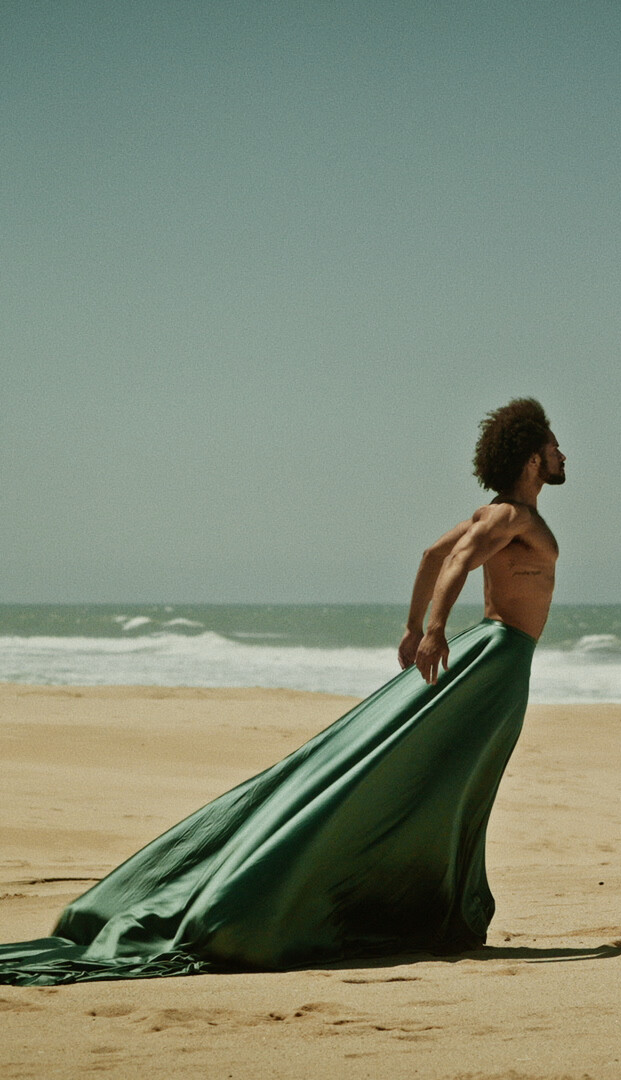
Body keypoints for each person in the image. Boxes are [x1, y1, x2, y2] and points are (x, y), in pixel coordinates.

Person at [0, 399, 565, 986]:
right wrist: (431, 629)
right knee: (452, 781)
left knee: (448, 779)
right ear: (531, 457)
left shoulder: (495, 513)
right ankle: (426, 908)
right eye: (553, 445)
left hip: (494, 652)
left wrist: (412, 625)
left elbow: (431, 555)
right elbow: (459, 561)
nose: (562, 453)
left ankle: (433, 903)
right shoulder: (512, 518)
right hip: (498, 657)